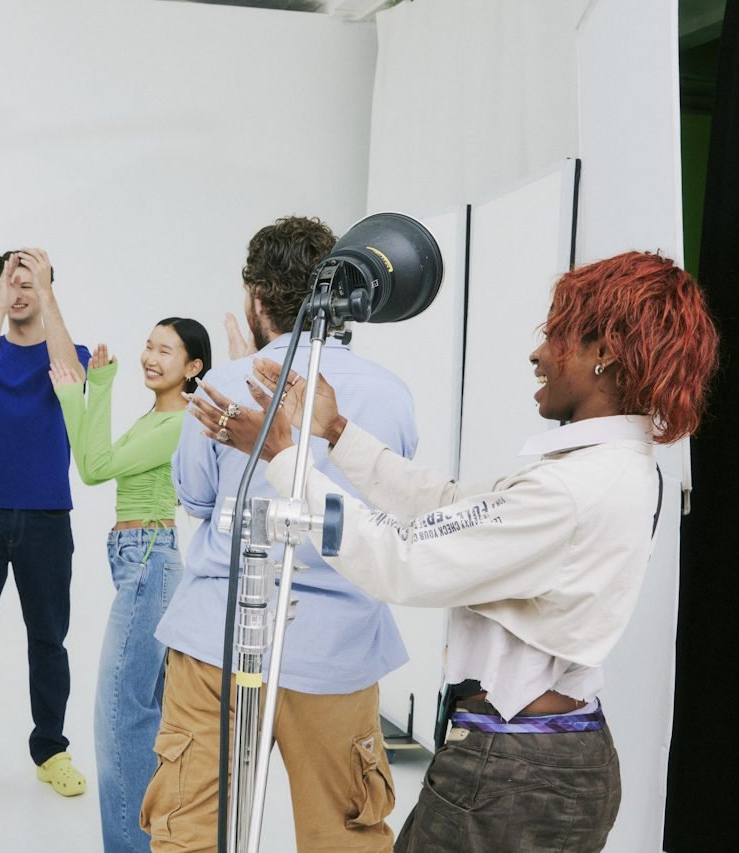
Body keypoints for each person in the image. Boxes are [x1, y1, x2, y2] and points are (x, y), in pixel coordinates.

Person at [192, 251, 719, 851]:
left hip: (514, 771)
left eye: (556, 335)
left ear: (606, 354)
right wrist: (335, 433)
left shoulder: (573, 491)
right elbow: (449, 505)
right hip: (534, 758)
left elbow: (403, 561)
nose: (538, 354)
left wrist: (284, 459)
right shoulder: (610, 471)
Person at [142, 216, 417, 852]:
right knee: (343, 837)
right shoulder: (391, 396)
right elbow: (391, 506)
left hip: (217, 636)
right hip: (337, 649)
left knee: (188, 833)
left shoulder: (221, 384)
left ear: (255, 298)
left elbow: (196, 498)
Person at [49, 318, 211, 852]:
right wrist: (96, 389)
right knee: (148, 717)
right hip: (142, 562)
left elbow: (94, 468)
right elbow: (98, 462)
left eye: (166, 351)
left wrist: (84, 390)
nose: (151, 356)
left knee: (120, 718)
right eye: (149, 345)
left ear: (193, 368)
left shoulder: (179, 423)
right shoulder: (156, 419)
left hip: (148, 563)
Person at [0, 248, 90, 801]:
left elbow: (72, 380)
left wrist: (47, 292)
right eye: (13, 283)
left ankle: (51, 749)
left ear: (48, 287)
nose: (21, 292)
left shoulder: (66, 349)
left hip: (47, 513)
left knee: (49, 638)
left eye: (31, 283)